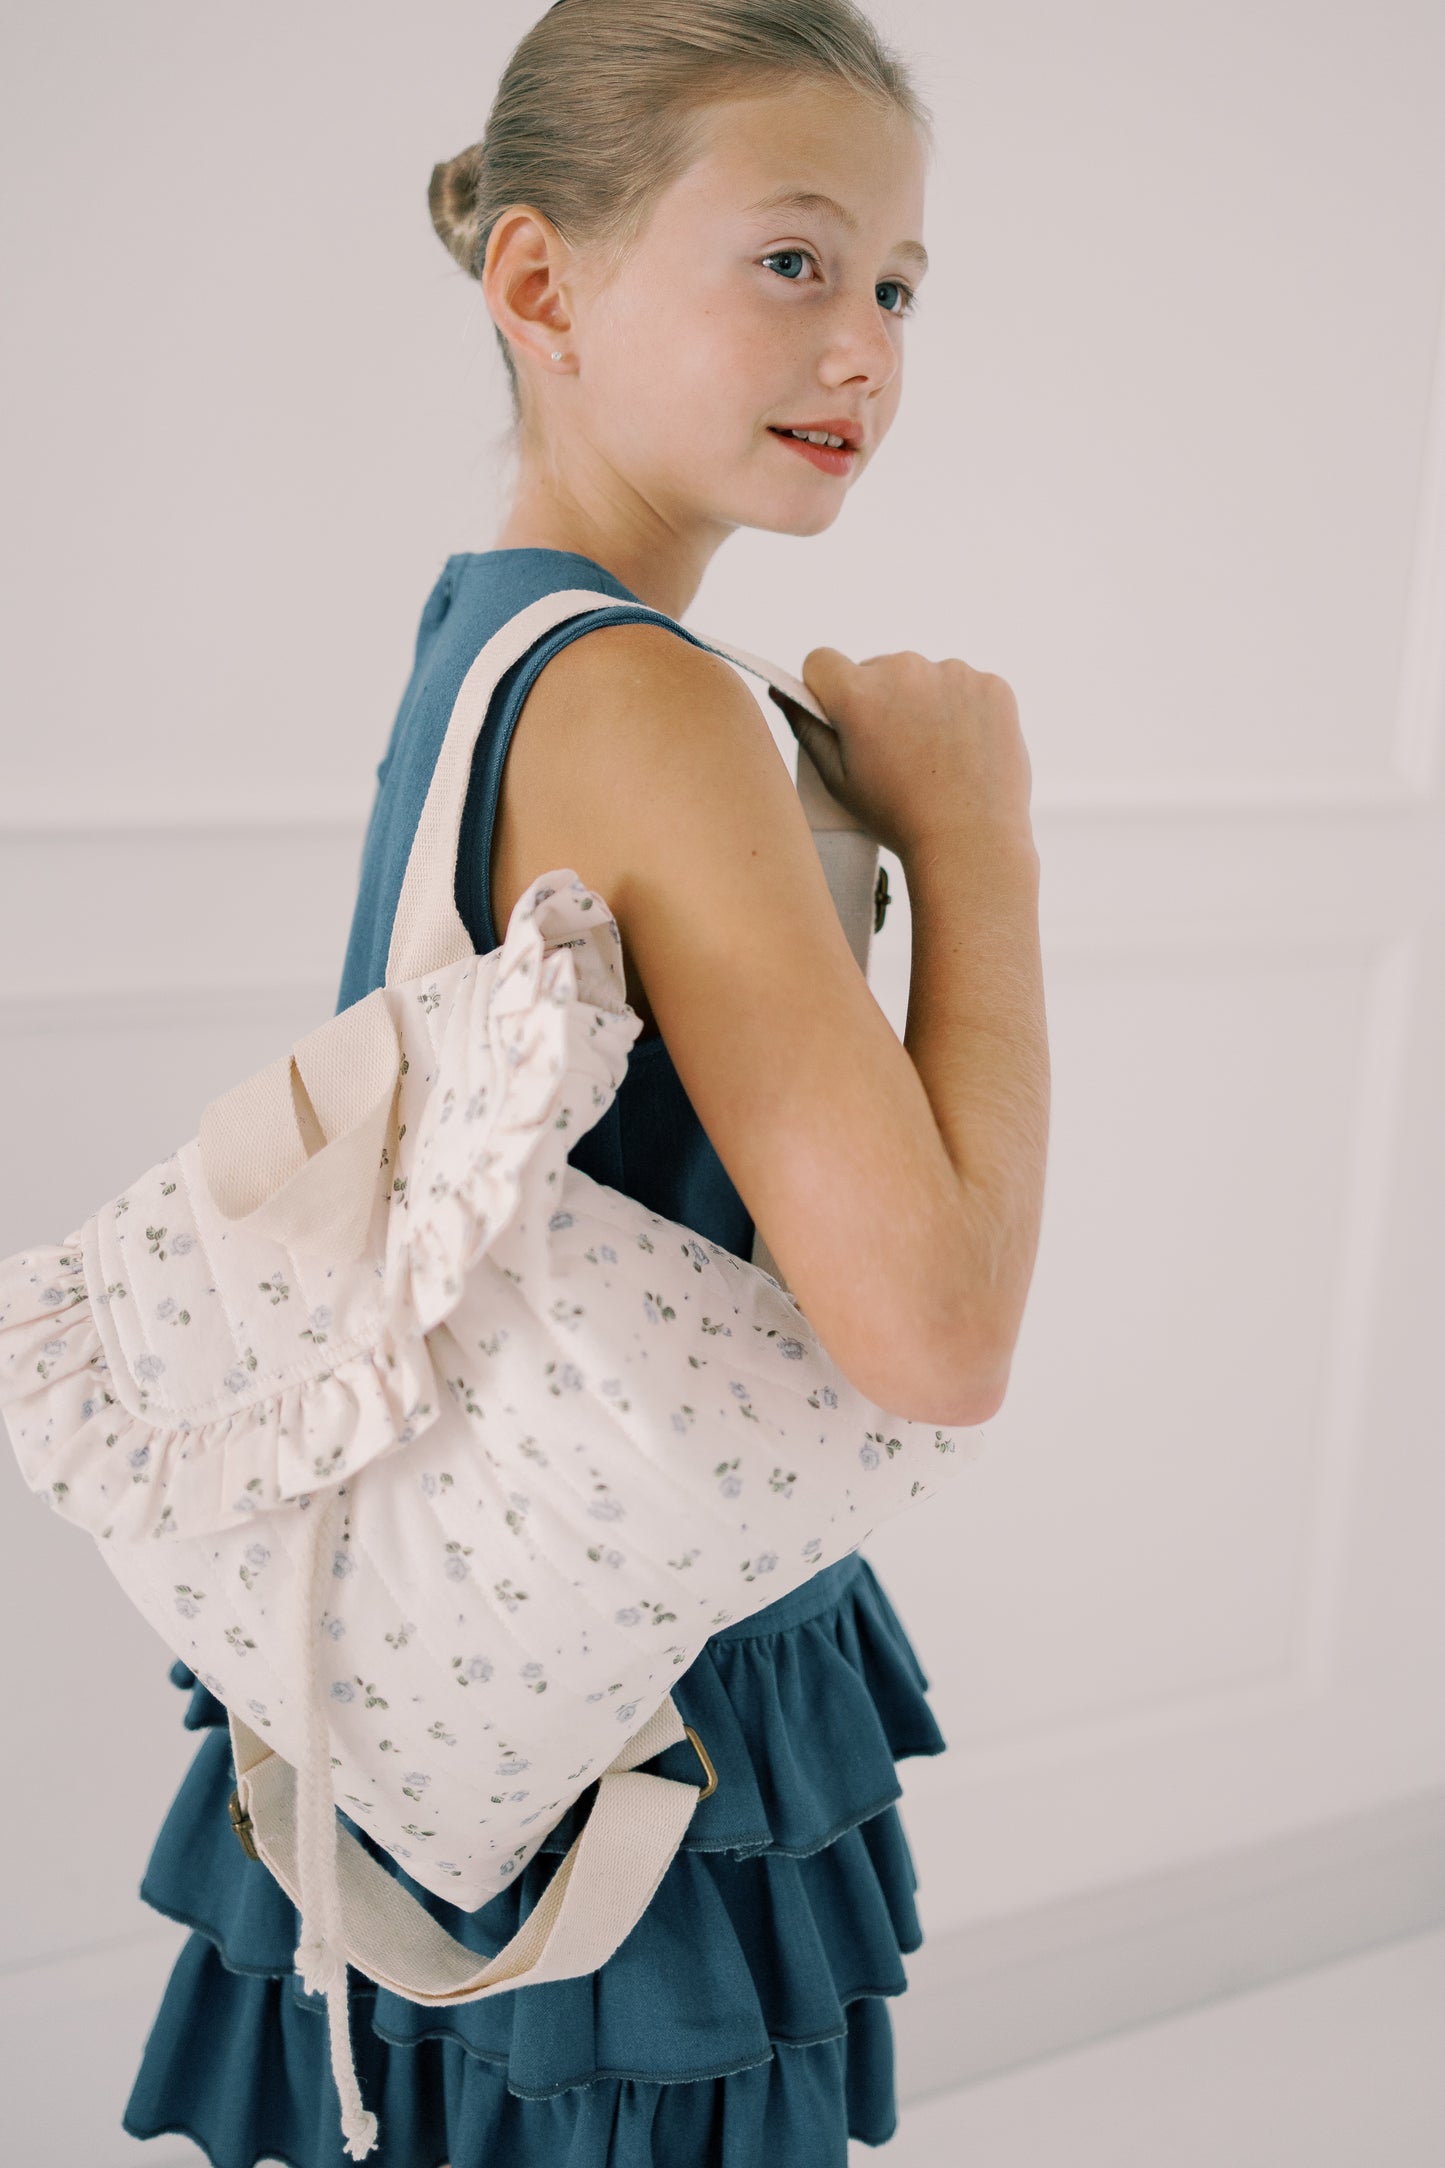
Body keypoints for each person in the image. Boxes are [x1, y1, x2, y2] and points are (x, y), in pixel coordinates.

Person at [122, 2, 1049, 2161]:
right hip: (626, 1692)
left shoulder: (497, 632)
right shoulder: (644, 701)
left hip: (483, 1648)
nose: (868, 351)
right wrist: (982, 850)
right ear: (541, 285)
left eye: (899, 285)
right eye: (796, 262)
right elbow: (933, 1336)